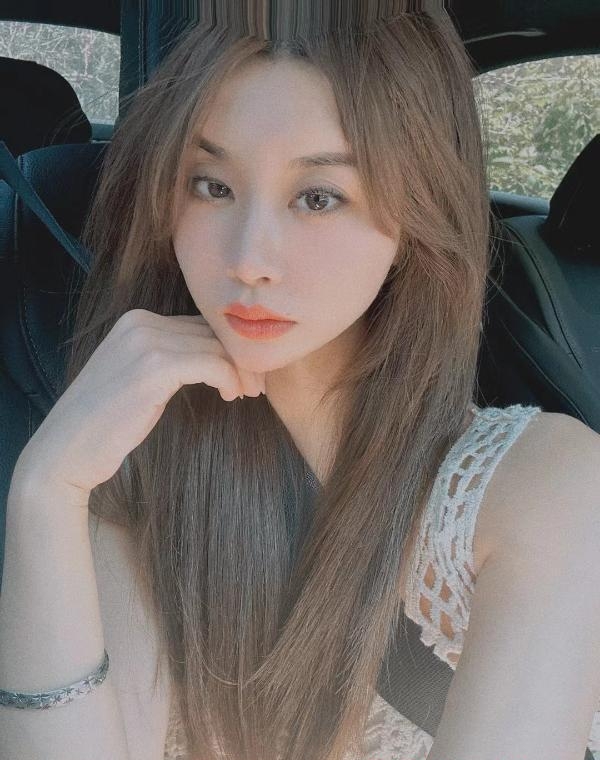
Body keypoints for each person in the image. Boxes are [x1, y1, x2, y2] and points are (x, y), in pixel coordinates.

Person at [2, 3, 600, 760]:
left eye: (318, 197)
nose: (249, 258)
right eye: (211, 186)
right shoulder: (144, 476)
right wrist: (46, 492)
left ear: (417, 214)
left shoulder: (548, 488)